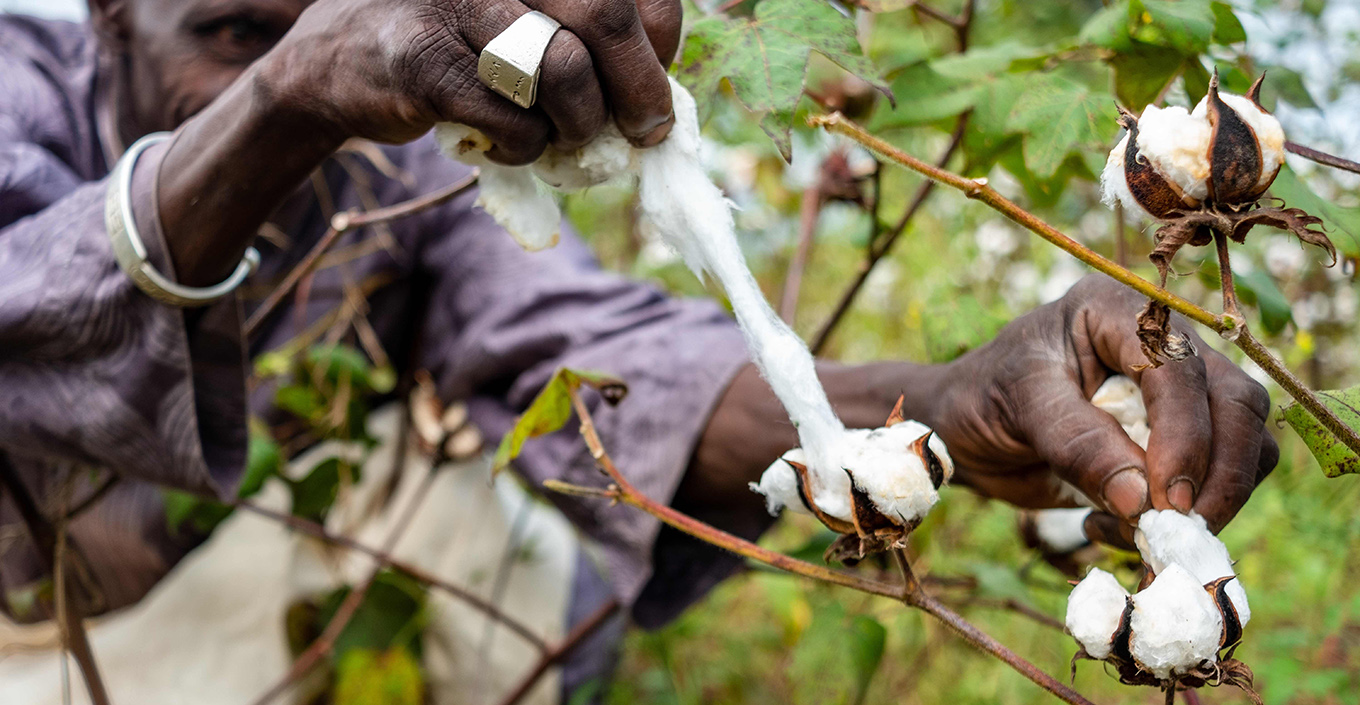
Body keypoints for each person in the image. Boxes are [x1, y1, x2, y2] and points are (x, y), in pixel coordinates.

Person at [0, 0, 1276, 684]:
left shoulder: (397, 176)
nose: (272, 58)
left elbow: (602, 356)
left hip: (271, 580)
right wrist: (285, 96)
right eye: (234, 34)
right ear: (107, 13)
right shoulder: (19, 79)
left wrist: (944, 405)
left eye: (293, 32)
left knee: (507, 533)